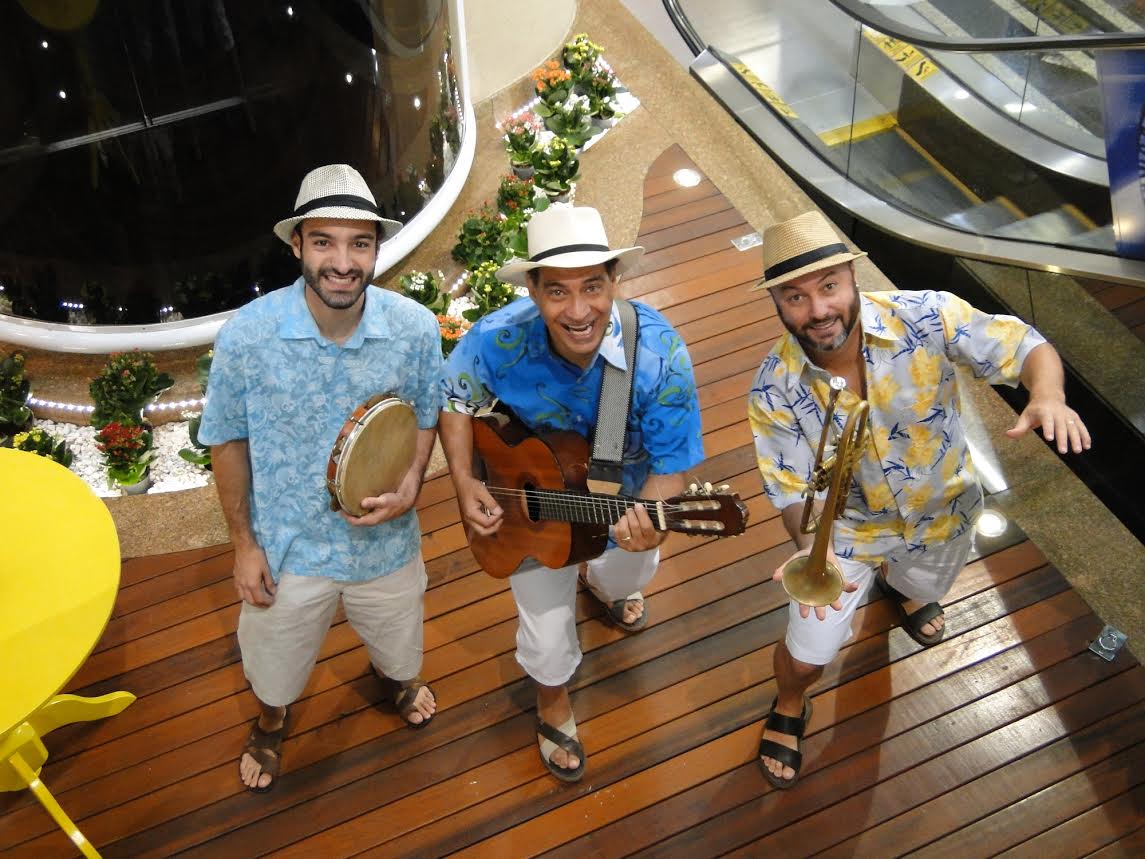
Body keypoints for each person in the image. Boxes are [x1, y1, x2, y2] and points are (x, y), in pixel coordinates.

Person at [747, 210, 1090, 790]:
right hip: (844, 536)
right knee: (808, 655)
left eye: (828, 286)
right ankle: (789, 697)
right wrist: (814, 552)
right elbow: (790, 488)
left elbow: (1025, 344)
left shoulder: (926, 314)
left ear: (852, 279)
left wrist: (1049, 393)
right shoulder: (772, 389)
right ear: (778, 304)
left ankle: (902, 592)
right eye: (795, 297)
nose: (819, 310)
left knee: (920, 586)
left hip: (943, 514)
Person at [198, 164, 444, 793]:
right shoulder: (247, 337)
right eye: (325, 242)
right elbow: (226, 440)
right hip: (288, 548)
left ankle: (395, 679)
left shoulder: (414, 328)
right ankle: (272, 719)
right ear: (297, 245)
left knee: (401, 649)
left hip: (385, 541)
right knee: (274, 668)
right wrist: (244, 545)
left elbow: (424, 416)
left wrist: (413, 480)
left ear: (376, 248)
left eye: (359, 243)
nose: (343, 261)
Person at [438, 205, 705, 782]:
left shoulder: (658, 353)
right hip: (525, 510)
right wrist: (464, 479)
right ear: (532, 290)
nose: (579, 311)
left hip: (624, 501)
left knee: (629, 574)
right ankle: (552, 698)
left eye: (593, 287)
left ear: (615, 281)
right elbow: (454, 400)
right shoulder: (495, 340)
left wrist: (653, 517)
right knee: (545, 622)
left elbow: (675, 462)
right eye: (557, 291)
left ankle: (604, 582)